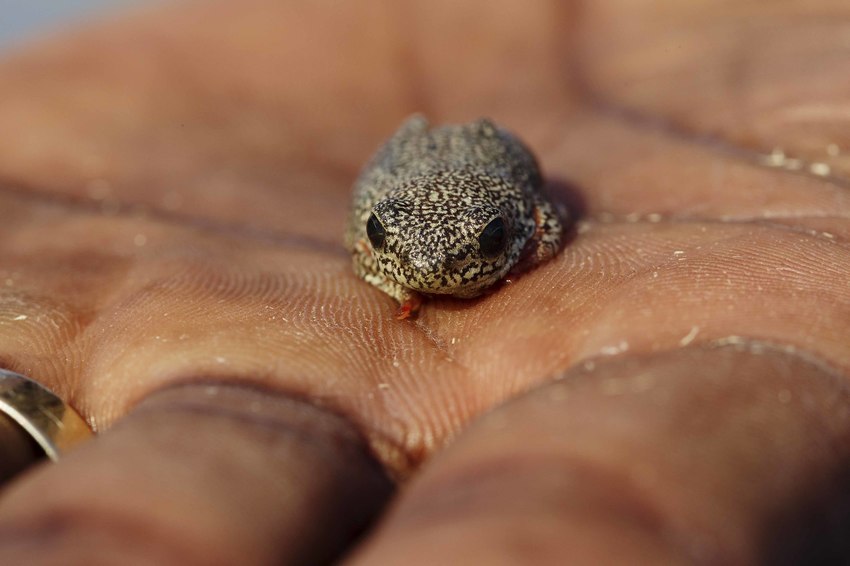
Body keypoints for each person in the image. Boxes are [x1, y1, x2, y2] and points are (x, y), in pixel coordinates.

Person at [0, 0, 847, 563]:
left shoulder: (514, 220)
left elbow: (544, 221)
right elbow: (372, 228)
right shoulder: (385, 223)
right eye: (393, 254)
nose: (433, 276)